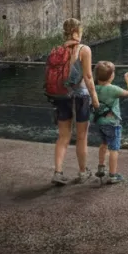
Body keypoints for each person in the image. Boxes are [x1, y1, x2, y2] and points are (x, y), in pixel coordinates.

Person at [50, 19, 98, 185]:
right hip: (81, 96)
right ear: (77, 32)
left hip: (61, 95)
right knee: (82, 137)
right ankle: (83, 172)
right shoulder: (84, 49)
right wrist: (96, 98)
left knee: (63, 136)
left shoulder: (57, 49)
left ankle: (58, 172)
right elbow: (88, 77)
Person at [94, 60, 128, 184]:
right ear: (111, 76)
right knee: (114, 149)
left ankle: (101, 167)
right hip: (112, 123)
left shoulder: (94, 88)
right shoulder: (112, 89)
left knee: (103, 143)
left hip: (99, 121)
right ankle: (113, 175)